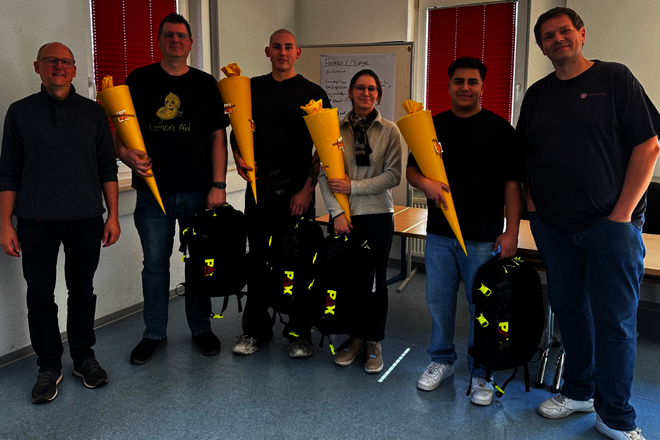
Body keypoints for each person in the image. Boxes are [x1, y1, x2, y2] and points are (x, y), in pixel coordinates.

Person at [517, 7, 659, 439]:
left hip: (609, 227)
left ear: (581, 34)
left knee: (615, 323)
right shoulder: (537, 95)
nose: (557, 39)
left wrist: (621, 215)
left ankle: (615, 415)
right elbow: (526, 155)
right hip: (553, 228)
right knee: (571, 312)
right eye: (548, 36)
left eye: (564, 31)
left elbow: (649, 145)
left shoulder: (615, 78)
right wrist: (534, 208)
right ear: (541, 47)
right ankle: (579, 391)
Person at [0, 42, 120, 403]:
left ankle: (83, 357)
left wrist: (113, 215)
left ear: (74, 70)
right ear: (37, 66)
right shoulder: (19, 113)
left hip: (86, 218)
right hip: (36, 220)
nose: (59, 66)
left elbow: (107, 167)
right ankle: (48, 366)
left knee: (82, 291)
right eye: (51, 60)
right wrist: (5, 223)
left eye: (66, 61)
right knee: (40, 296)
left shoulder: (94, 113)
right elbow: (9, 171)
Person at [407, 57, 523, 406]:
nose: (465, 87)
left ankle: (481, 369)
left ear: (483, 87)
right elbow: (412, 171)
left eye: (473, 82)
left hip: (484, 238)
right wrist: (425, 183)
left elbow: (512, 185)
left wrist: (512, 231)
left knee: (482, 306)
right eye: (459, 81)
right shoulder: (432, 126)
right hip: (440, 236)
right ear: (448, 86)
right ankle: (441, 360)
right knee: (438, 301)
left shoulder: (500, 130)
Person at [114, 13, 229, 365]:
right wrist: (126, 156)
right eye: (168, 35)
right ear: (159, 40)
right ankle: (154, 333)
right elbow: (118, 132)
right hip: (153, 194)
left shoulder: (206, 84)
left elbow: (218, 138)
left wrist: (219, 185)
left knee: (200, 262)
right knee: (154, 266)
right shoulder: (139, 80)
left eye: (181, 35)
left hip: (198, 193)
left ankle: (201, 328)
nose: (175, 40)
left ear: (191, 43)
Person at [231, 29, 330, 358]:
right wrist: (237, 156)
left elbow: (325, 147)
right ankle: (254, 331)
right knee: (258, 262)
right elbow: (236, 131)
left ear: (297, 53)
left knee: (297, 263)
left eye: (288, 47)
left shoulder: (313, 93)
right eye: (277, 47)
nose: (282, 52)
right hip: (259, 191)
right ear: (267, 51)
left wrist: (307, 189)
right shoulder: (251, 89)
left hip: (296, 194)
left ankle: (299, 334)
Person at [318, 69, 401, 374]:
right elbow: (324, 174)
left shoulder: (390, 131)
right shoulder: (332, 128)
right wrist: (337, 213)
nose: (366, 93)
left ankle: (374, 341)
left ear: (378, 94)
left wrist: (353, 187)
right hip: (344, 219)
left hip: (377, 217)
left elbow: (393, 176)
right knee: (348, 282)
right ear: (350, 92)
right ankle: (355, 338)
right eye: (360, 88)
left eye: (372, 89)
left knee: (376, 283)